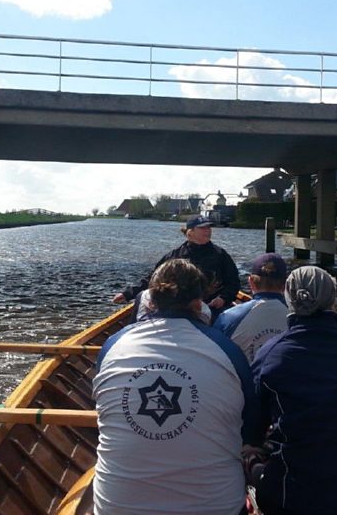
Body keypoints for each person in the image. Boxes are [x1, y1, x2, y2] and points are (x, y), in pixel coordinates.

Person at [93, 259, 259, 514]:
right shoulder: (227, 350)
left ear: (150, 300)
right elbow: (251, 430)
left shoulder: (112, 345)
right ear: (198, 303)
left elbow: (103, 412)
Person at [250, 265, 337, 515]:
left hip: (293, 500)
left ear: (288, 299)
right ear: (333, 301)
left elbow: (253, 427)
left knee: (249, 459)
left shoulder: (271, 355)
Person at [112, 214, 240, 318]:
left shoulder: (220, 255)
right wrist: (128, 294)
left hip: (212, 307)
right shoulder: (175, 255)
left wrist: (223, 298)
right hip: (178, 308)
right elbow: (153, 279)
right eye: (203, 228)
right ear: (190, 232)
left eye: (209, 227)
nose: (208, 231)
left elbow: (233, 282)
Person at [213, 252, 289, 364]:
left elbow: (214, 357)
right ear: (285, 285)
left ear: (251, 282)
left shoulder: (227, 317)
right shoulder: (297, 318)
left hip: (241, 380)